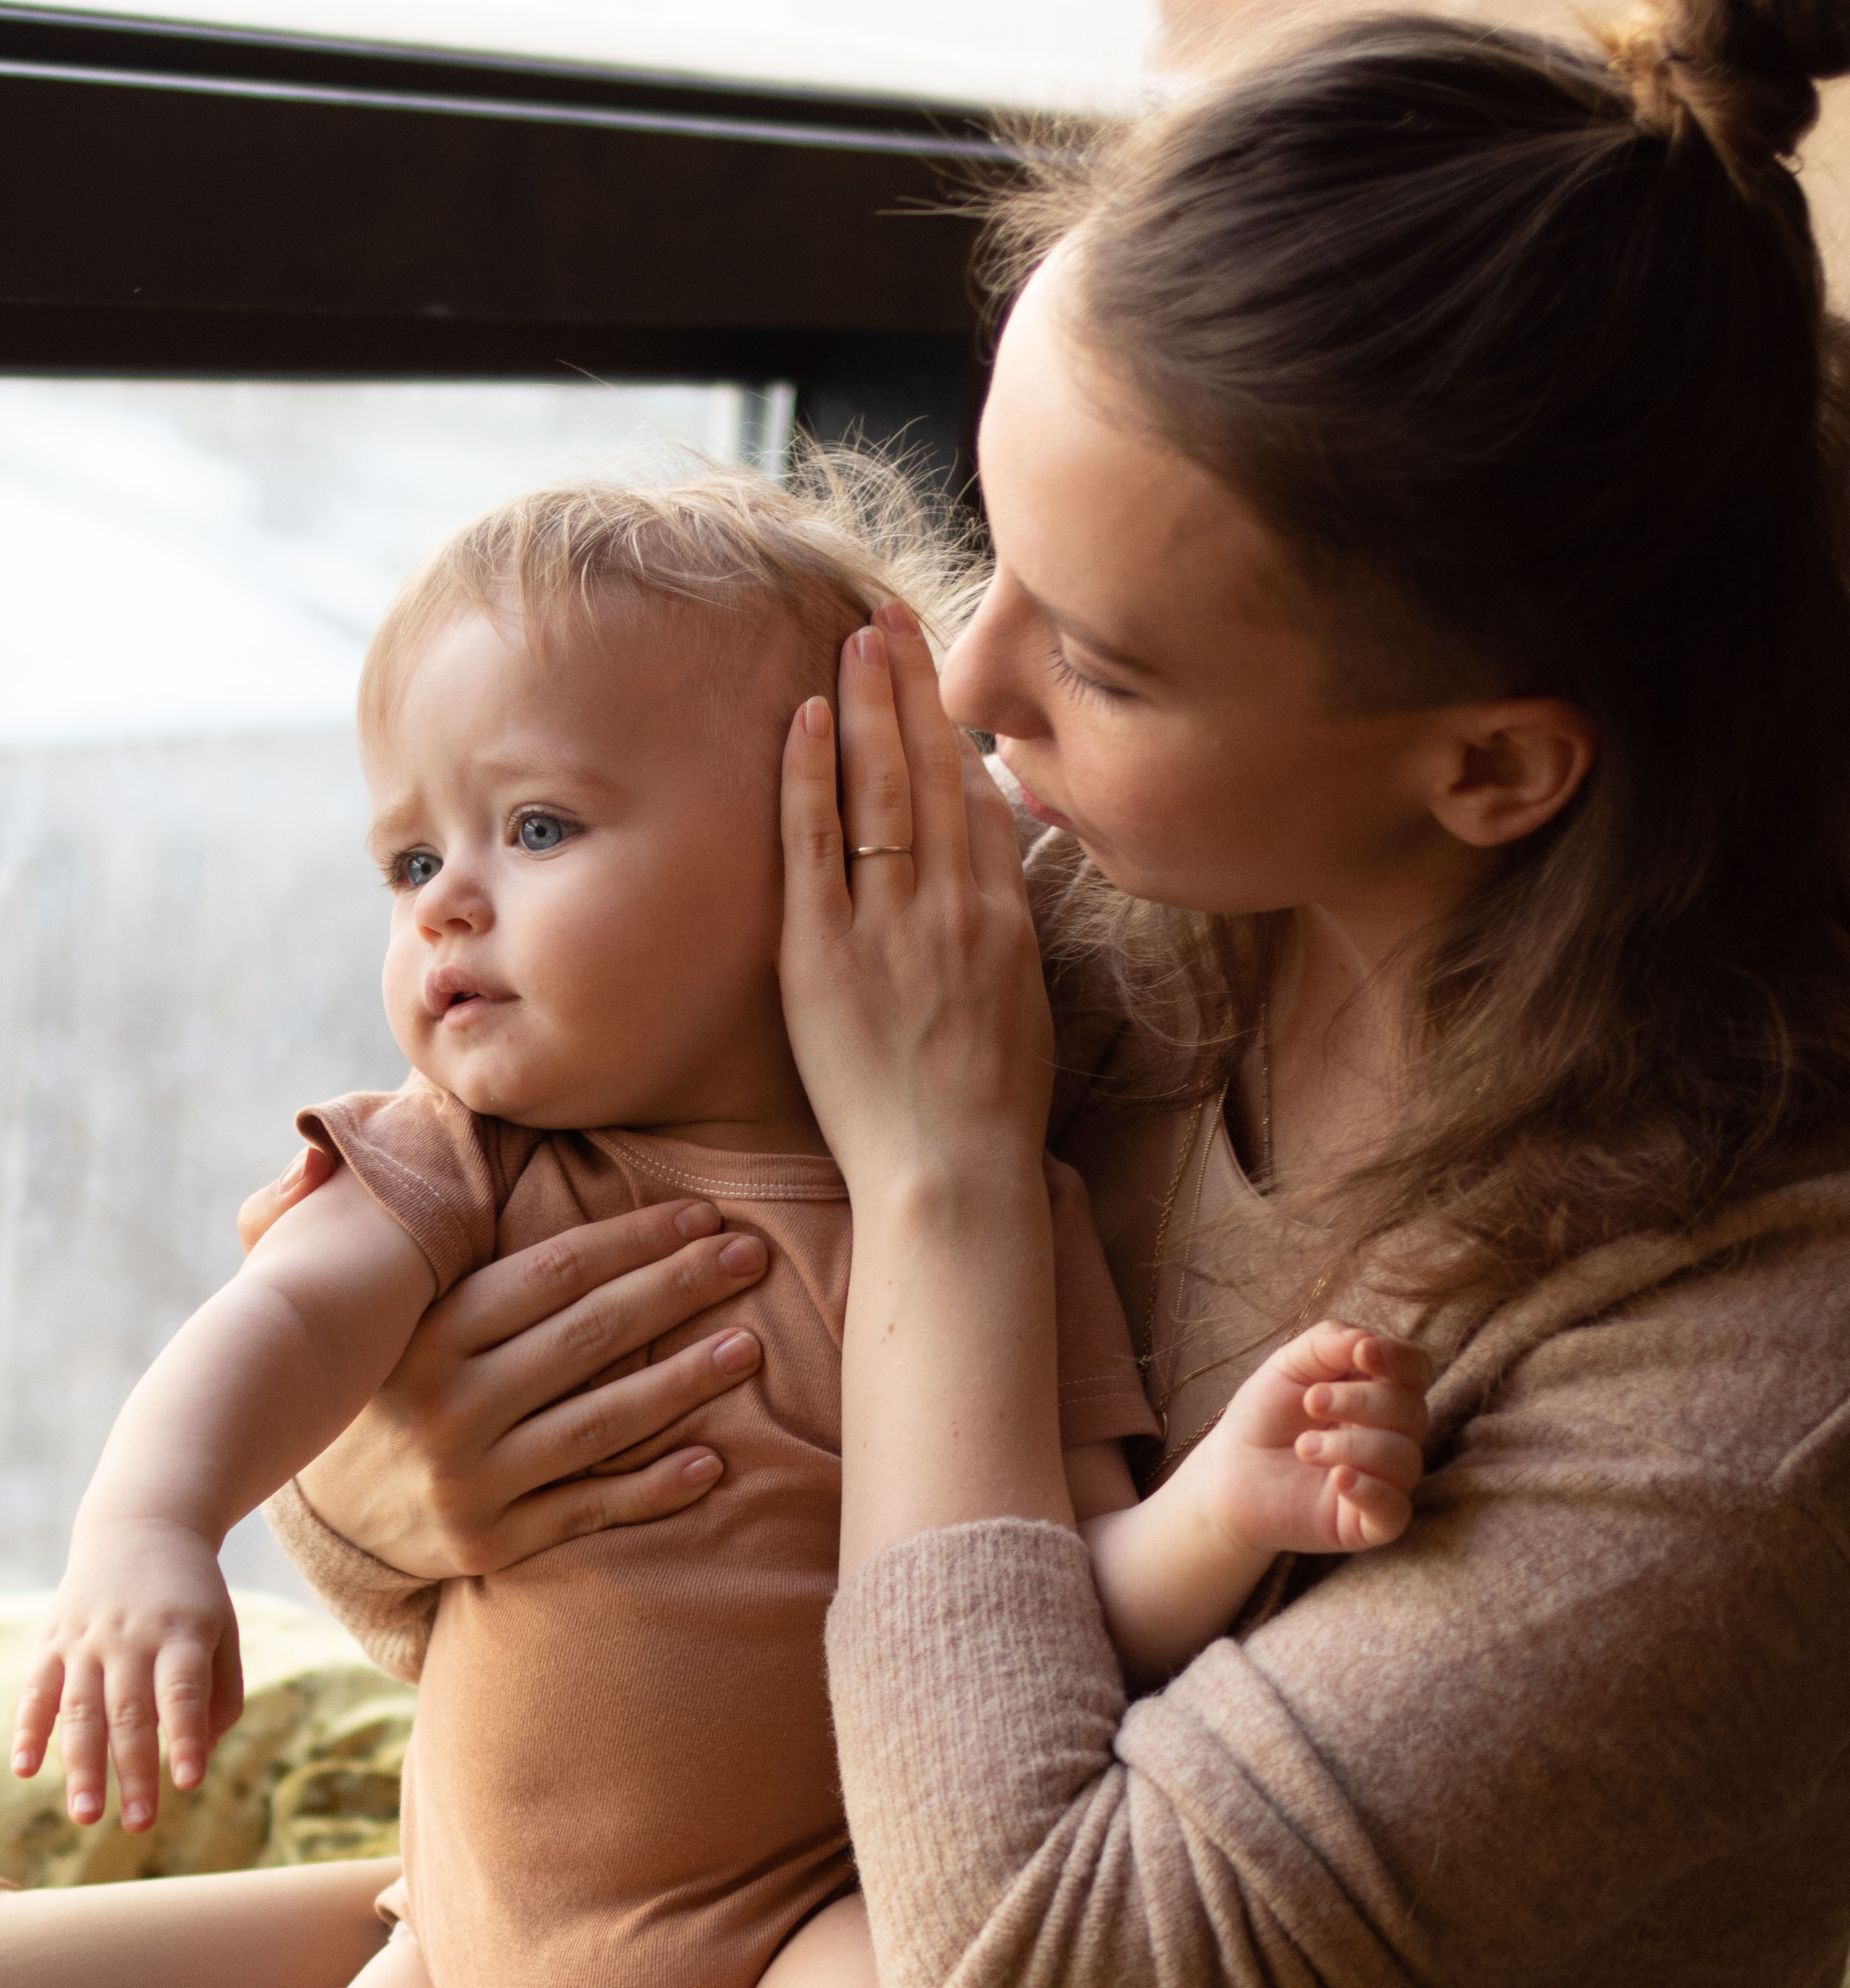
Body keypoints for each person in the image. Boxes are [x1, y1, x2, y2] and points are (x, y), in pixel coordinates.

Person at [263, 3, 1850, 1984]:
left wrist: (940, 1184)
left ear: (1492, 767)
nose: (964, 682)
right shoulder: (1077, 901)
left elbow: (1031, 1955)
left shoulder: (1758, 1367)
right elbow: (513, 1532)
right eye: (992, 549)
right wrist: (397, 1481)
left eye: (1099, 661)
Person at [4, 465, 1431, 1988]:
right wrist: (149, 1526)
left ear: (836, 844)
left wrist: (1222, 1509)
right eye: (411, 860)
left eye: (536, 826)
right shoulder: (466, 1157)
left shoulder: (1002, 1219)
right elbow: (280, 1321)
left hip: (785, 1924)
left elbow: (1047, 1606)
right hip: (448, 1932)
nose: (441, 907)